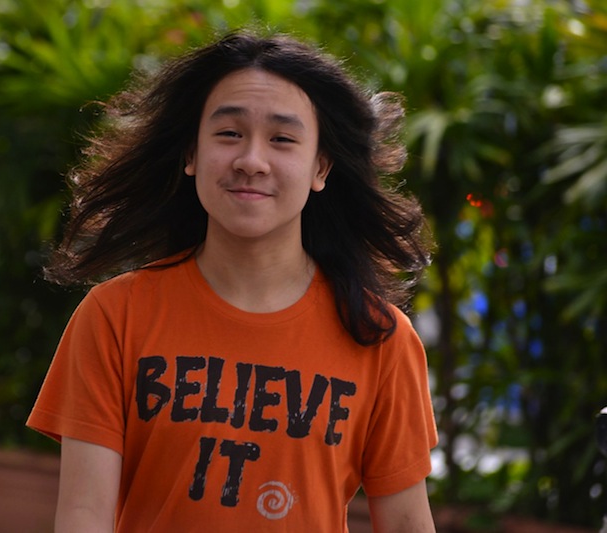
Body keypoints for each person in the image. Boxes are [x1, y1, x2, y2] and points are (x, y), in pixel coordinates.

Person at [28, 27, 438, 532]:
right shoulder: (115, 316)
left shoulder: (380, 337)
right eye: (229, 134)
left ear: (321, 167)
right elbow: (83, 516)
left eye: (283, 139)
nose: (252, 161)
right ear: (191, 155)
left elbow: (405, 524)